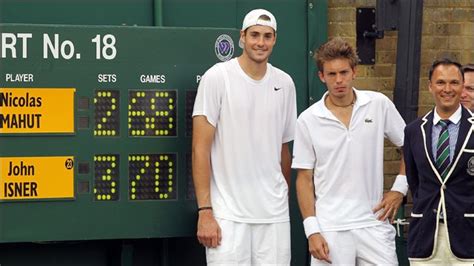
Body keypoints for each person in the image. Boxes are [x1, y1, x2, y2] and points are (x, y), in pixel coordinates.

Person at [192, 8, 297, 265]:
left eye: (267, 36)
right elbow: (199, 149)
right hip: (227, 216)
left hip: (274, 217)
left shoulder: (285, 83)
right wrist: (205, 211)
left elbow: (284, 150)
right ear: (243, 36)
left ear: (274, 39)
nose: (261, 42)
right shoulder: (217, 77)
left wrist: (280, 195)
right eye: (255, 35)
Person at [292, 37, 408, 265]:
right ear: (321, 76)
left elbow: (411, 146)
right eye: (332, 74)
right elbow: (304, 179)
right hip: (330, 229)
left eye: (344, 72)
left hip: (373, 223)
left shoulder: (378, 104)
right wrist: (312, 230)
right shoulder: (308, 120)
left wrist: (399, 190)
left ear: (354, 72)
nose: (339, 80)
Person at [404, 58, 474, 264]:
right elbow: (415, 182)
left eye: (454, 82)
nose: (447, 89)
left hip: (468, 238)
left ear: (462, 86)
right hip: (425, 237)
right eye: (441, 82)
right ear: (430, 86)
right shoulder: (414, 131)